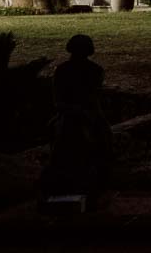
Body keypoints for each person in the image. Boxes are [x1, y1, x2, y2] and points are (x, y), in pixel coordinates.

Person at [42, 34, 112, 202]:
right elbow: (62, 100)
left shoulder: (65, 70)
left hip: (78, 112)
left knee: (101, 138)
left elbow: (89, 98)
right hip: (73, 112)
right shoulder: (92, 70)